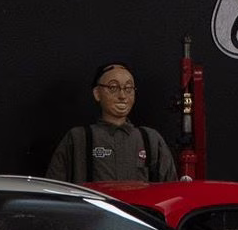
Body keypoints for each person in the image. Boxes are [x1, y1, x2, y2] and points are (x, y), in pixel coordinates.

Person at [46, 63, 179, 184]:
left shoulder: (151, 140)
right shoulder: (78, 139)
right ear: (97, 93)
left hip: (139, 210)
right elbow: (54, 191)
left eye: (128, 88)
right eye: (113, 87)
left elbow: (171, 190)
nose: (122, 95)